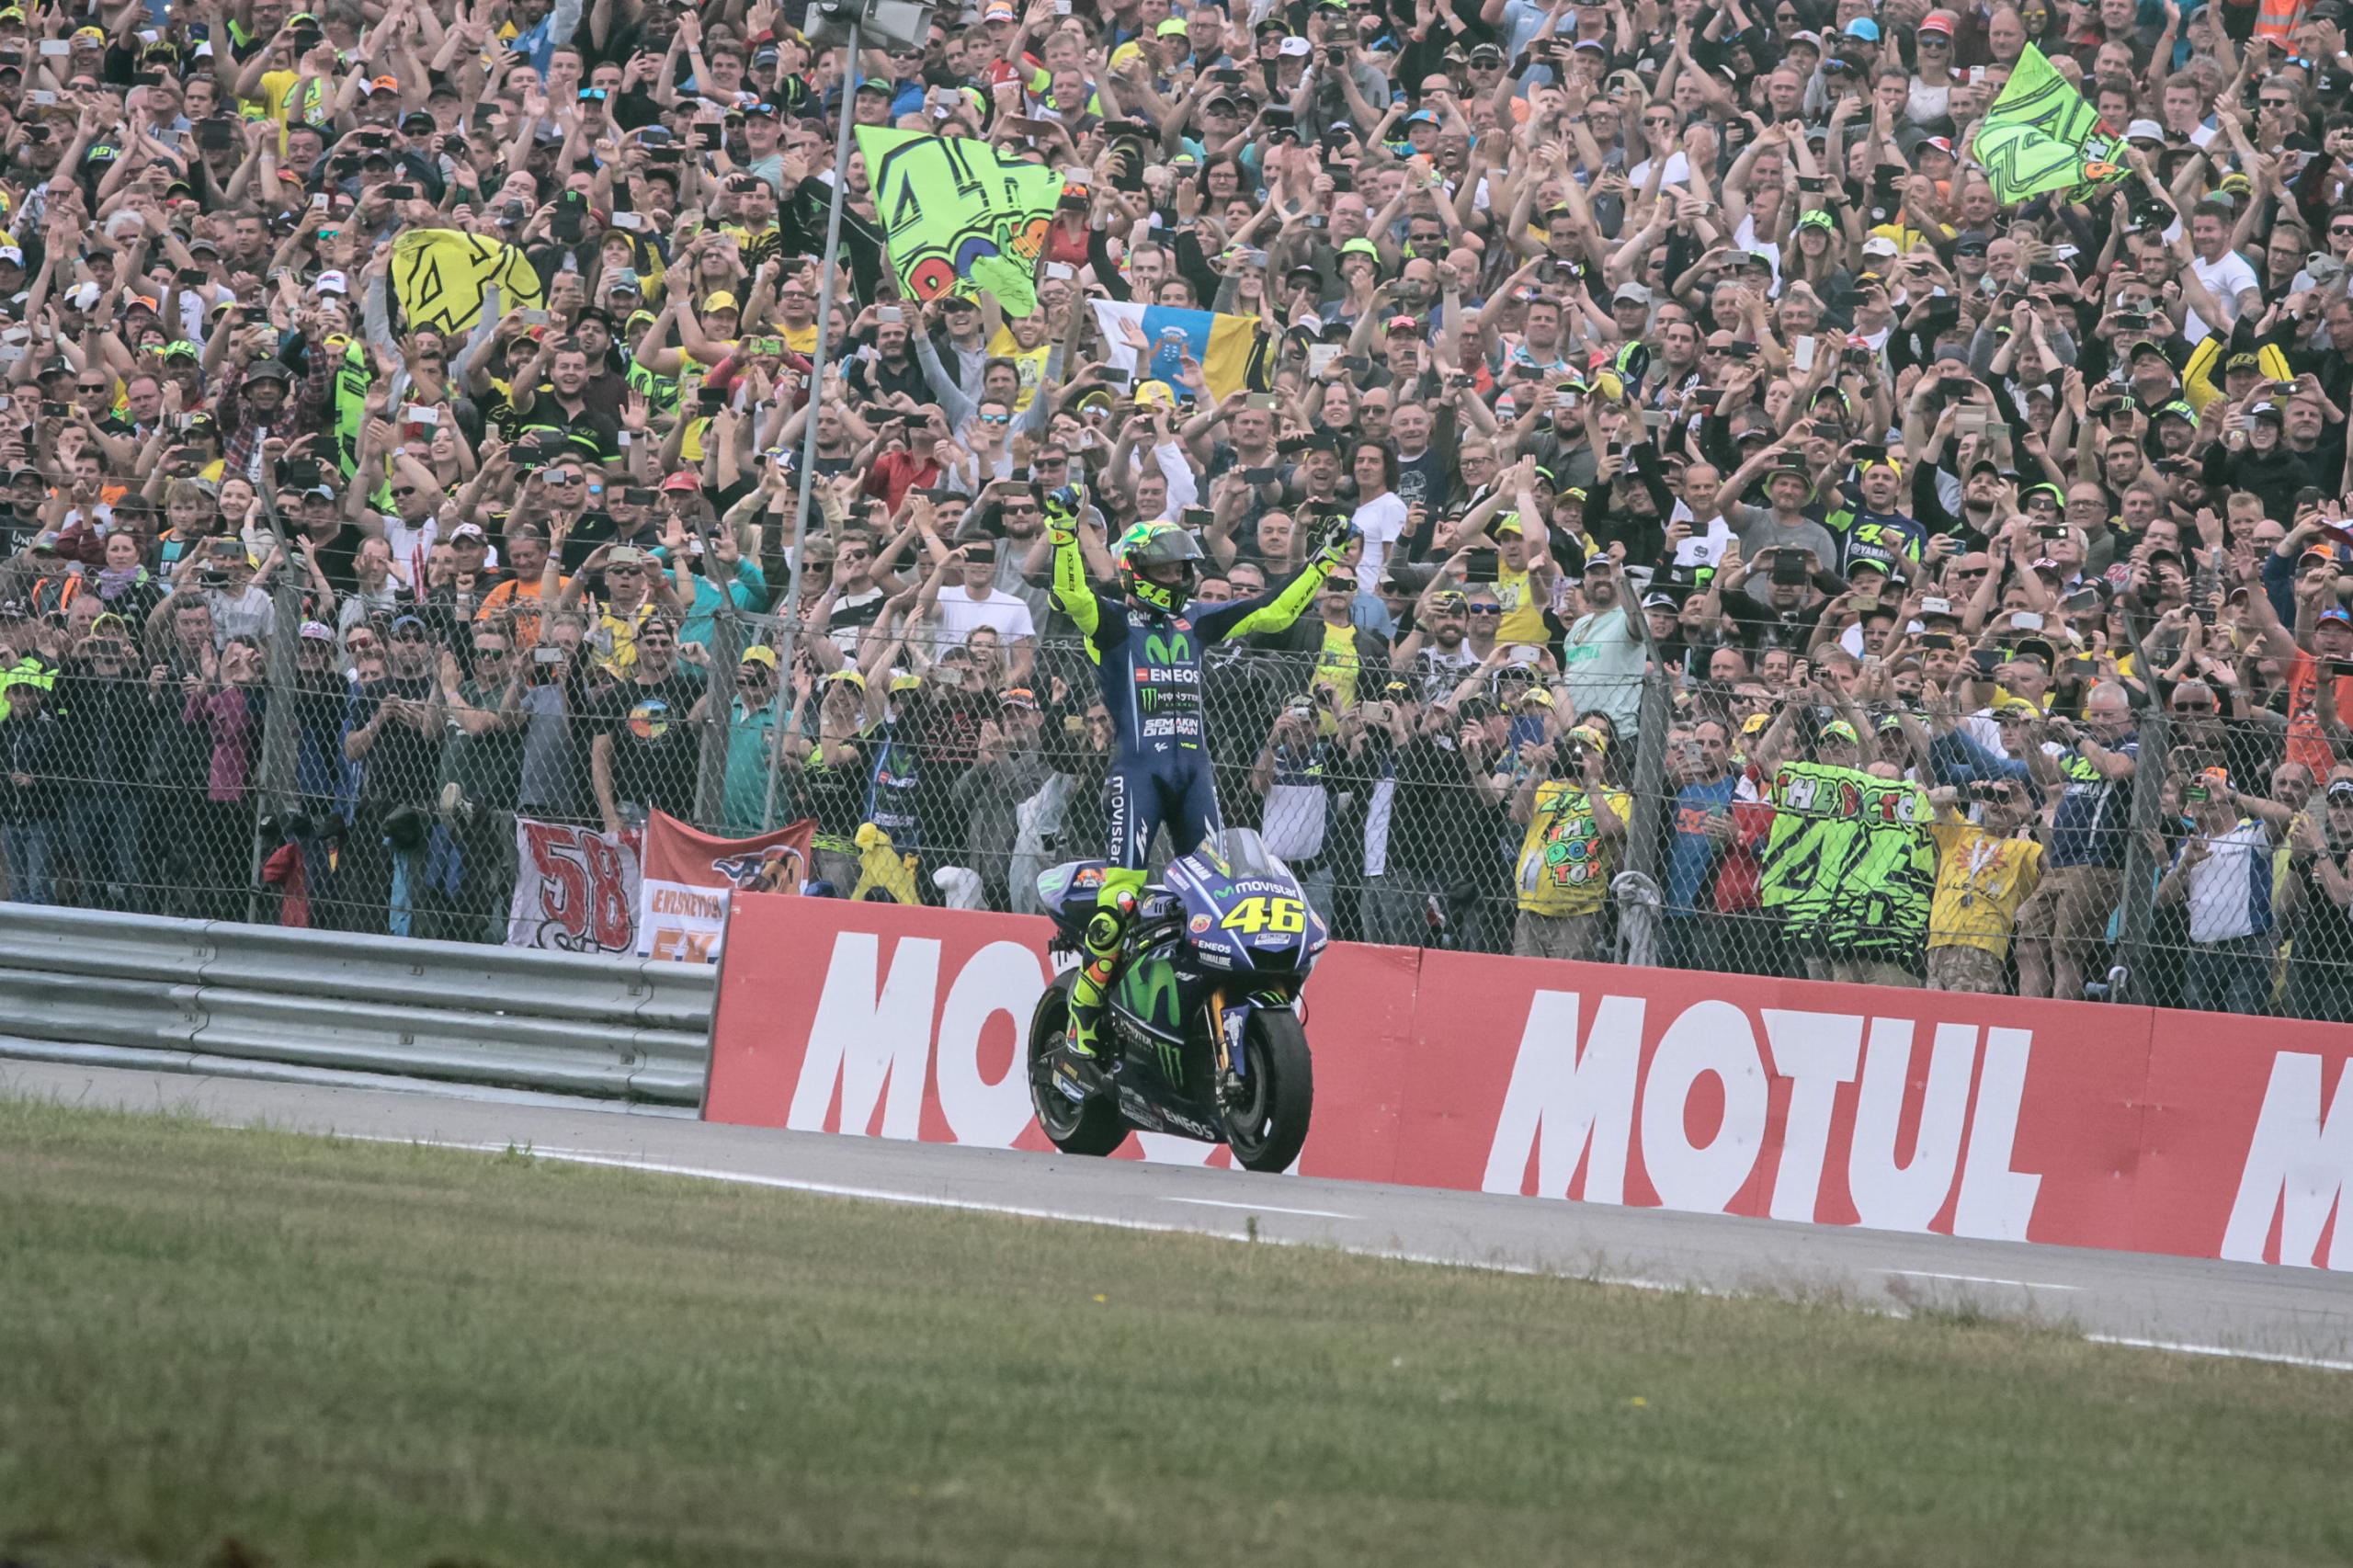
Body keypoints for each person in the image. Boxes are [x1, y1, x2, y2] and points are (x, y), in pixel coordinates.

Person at [1044, 483, 1354, 1089]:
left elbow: (1275, 612)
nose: (1184, 572)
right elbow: (1071, 594)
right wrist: (1061, 532)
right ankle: (1082, 1024)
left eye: (1186, 563)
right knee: (1119, 905)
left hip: (1196, 778)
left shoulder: (1196, 621)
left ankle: (1200, 1013)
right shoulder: (1111, 624)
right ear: (1138, 571)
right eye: (1170, 565)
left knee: (1221, 902)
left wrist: (1323, 562)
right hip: (1138, 777)